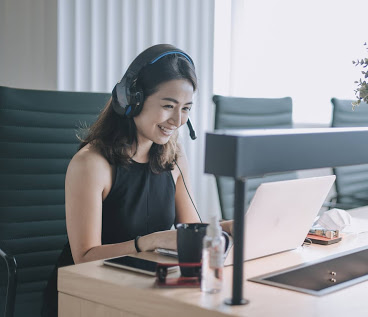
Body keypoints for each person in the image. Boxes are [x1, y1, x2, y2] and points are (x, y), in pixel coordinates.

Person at [42, 44, 231, 316]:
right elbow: (83, 257)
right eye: (168, 106)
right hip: (83, 297)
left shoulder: (173, 158)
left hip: (140, 288)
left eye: (186, 109)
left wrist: (235, 227)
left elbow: (192, 232)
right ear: (133, 100)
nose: (178, 120)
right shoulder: (92, 164)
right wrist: (150, 241)